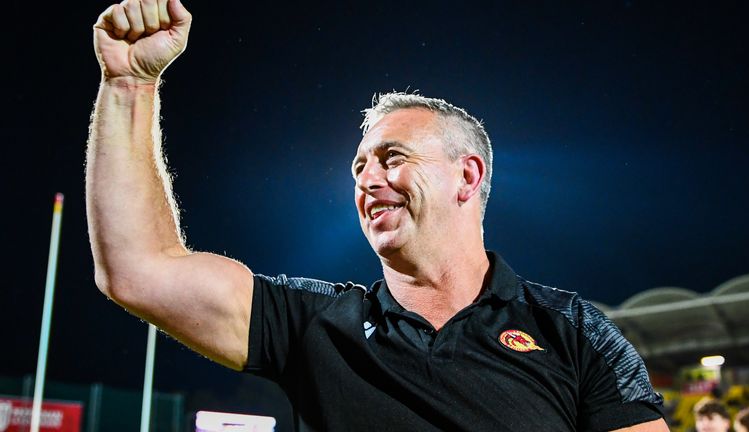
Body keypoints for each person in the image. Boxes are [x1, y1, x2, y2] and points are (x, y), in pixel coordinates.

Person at [86, 0, 669, 430]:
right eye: (359, 167)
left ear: (467, 177)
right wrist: (129, 86)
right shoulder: (316, 324)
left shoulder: (575, 332)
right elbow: (139, 270)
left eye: (393, 158)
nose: (367, 180)